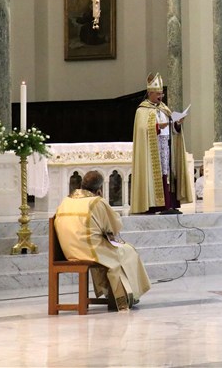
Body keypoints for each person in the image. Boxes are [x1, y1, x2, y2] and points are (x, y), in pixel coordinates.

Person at [54, 171, 150, 311]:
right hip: (89, 251)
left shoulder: (65, 201)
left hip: (68, 250)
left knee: (116, 252)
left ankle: (111, 292)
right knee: (127, 251)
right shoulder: (96, 202)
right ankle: (125, 296)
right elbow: (115, 226)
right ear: (99, 189)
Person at [130, 73, 193, 214]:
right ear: (150, 93)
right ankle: (154, 205)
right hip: (152, 149)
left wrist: (177, 124)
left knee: (168, 173)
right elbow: (142, 129)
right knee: (157, 175)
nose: (160, 97)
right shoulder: (142, 110)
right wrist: (158, 127)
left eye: (161, 94)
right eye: (158, 94)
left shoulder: (164, 108)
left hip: (167, 146)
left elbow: (174, 130)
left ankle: (168, 204)